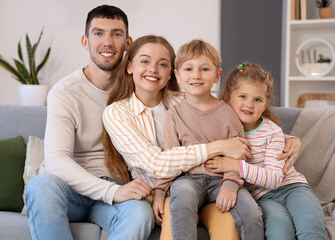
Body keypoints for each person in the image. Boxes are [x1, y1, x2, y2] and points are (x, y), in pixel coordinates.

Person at [102, 35, 255, 239]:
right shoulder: (118, 112)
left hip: (216, 184)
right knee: (177, 211)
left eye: (162, 64)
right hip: (172, 188)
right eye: (145, 61)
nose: (153, 69)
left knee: (228, 222)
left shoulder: (191, 97)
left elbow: (249, 112)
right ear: (130, 67)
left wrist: (285, 138)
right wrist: (219, 146)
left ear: (170, 74)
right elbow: (158, 163)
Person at [24, 5, 156, 240]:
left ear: (128, 43)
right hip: (72, 191)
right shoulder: (64, 92)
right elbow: (57, 160)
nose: (107, 42)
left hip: (117, 192)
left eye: (116, 34)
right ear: (85, 41)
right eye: (98, 33)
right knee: (40, 187)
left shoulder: (139, 88)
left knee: (140, 213)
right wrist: (112, 191)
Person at [151, 40, 264, 240]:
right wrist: (159, 191)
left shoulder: (229, 113)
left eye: (204, 69)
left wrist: (230, 186)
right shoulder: (173, 116)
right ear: (177, 75)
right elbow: (171, 160)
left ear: (217, 75)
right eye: (188, 69)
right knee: (181, 199)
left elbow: (240, 153)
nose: (196, 75)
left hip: (222, 179)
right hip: (189, 180)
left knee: (252, 212)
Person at [207, 63, 327, 240]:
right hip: (263, 198)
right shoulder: (222, 132)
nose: (249, 104)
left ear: (265, 103)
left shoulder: (272, 132)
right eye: (242, 96)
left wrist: (236, 166)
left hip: (292, 187)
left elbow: (274, 179)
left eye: (257, 99)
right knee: (280, 231)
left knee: (312, 228)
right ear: (227, 96)